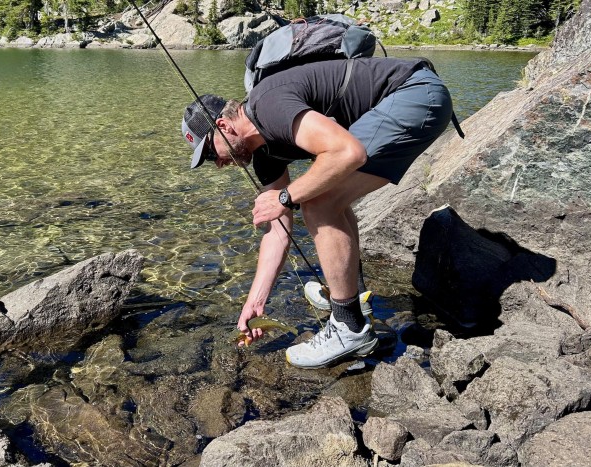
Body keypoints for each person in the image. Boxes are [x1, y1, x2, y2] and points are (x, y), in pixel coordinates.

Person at [180, 56, 455, 369]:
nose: (217, 163)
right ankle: (355, 307)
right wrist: (256, 301)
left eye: (211, 152)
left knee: (317, 201)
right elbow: (279, 231)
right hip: (417, 98)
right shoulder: (265, 157)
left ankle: (347, 327)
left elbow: (348, 152)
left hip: (415, 93)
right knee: (326, 198)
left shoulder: (268, 104)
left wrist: (286, 196)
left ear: (224, 126)